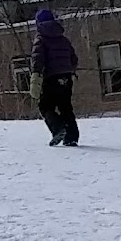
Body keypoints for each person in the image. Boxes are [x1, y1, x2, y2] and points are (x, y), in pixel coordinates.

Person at [31, 8, 80, 146]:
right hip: (66, 77)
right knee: (66, 107)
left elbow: (37, 59)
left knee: (45, 106)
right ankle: (72, 137)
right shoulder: (64, 40)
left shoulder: (40, 39)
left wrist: (36, 76)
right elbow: (74, 59)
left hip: (50, 78)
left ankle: (58, 129)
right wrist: (68, 70)